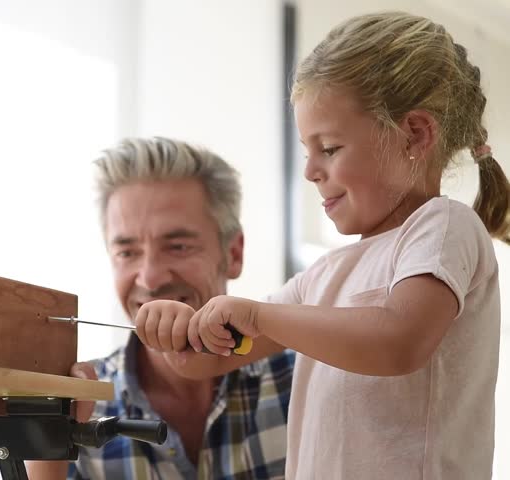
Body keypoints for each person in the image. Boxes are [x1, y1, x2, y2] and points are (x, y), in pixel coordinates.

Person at [133, 12, 509, 479]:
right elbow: (207, 361)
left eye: (329, 148)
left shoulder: (444, 226)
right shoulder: (324, 274)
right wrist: (180, 333)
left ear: (414, 134)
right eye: (306, 151)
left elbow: (399, 342)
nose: (310, 170)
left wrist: (257, 315)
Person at [27, 137, 295, 480]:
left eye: (178, 246)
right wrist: (48, 441)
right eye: (127, 252)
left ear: (234, 254)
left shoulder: (305, 376)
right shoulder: (80, 408)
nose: (151, 279)